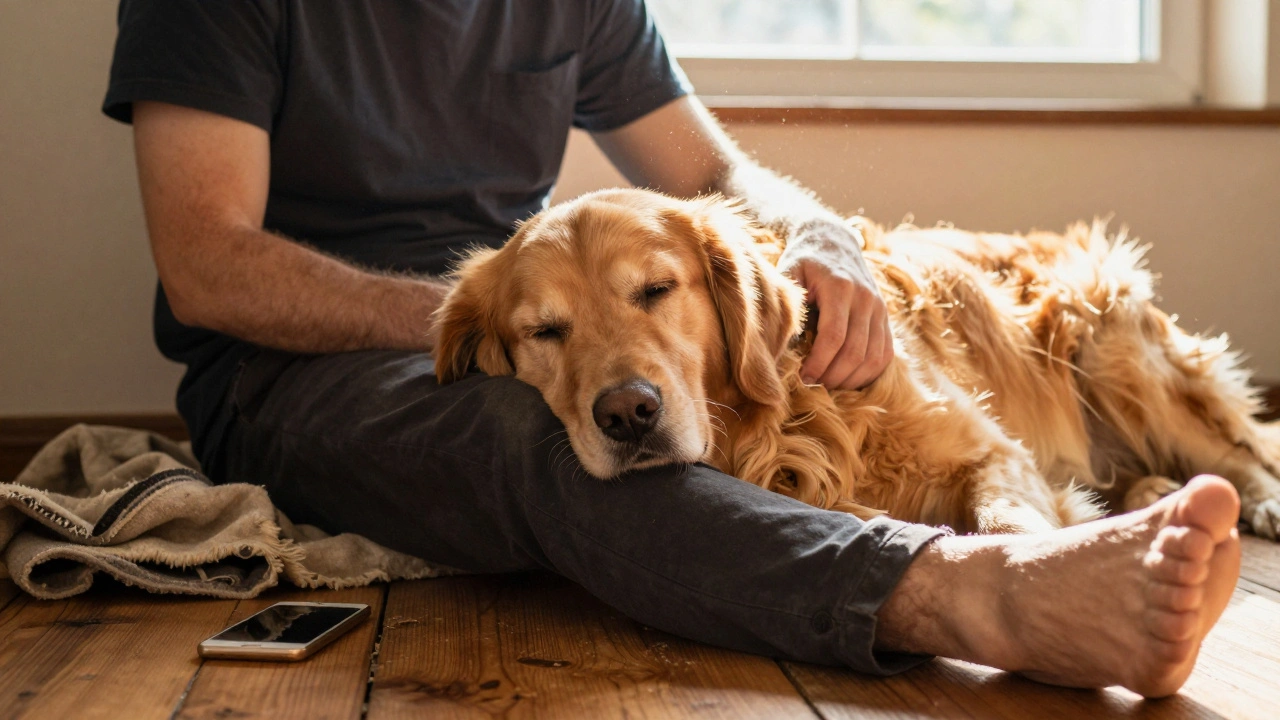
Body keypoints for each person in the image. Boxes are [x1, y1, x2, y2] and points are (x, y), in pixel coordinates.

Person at [103, 0, 1241, 698]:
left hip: (539, 323)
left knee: (627, 410)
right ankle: (968, 597)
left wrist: (819, 236)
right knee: (528, 429)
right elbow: (208, 262)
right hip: (299, 367)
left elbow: (713, 177)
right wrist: (498, 333)